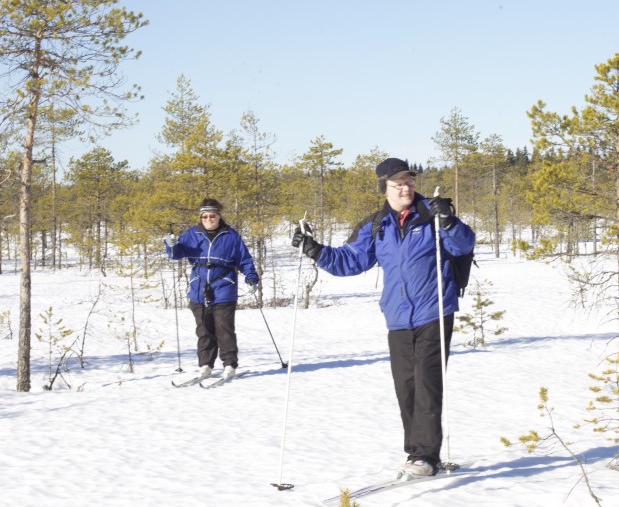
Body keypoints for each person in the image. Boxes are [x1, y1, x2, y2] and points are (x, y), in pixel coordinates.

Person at [291, 157, 476, 478]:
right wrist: (314, 249)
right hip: (398, 317)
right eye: (398, 183)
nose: (406, 188)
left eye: (409, 181)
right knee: (406, 387)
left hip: (435, 312)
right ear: (385, 189)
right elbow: (349, 260)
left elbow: (463, 245)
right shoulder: (377, 225)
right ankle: (416, 453)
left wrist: (449, 221)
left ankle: (426, 457)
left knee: (427, 384)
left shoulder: (432, 215)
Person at [165, 198, 259, 380]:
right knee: (204, 330)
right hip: (198, 288)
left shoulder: (231, 236)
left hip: (224, 286)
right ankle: (206, 365)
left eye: (212, 216)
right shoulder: (191, 234)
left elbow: (244, 259)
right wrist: (171, 243)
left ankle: (230, 364)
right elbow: (176, 254)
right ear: (201, 217)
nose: (209, 219)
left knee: (224, 329)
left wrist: (251, 277)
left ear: (218, 216)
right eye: (205, 216)